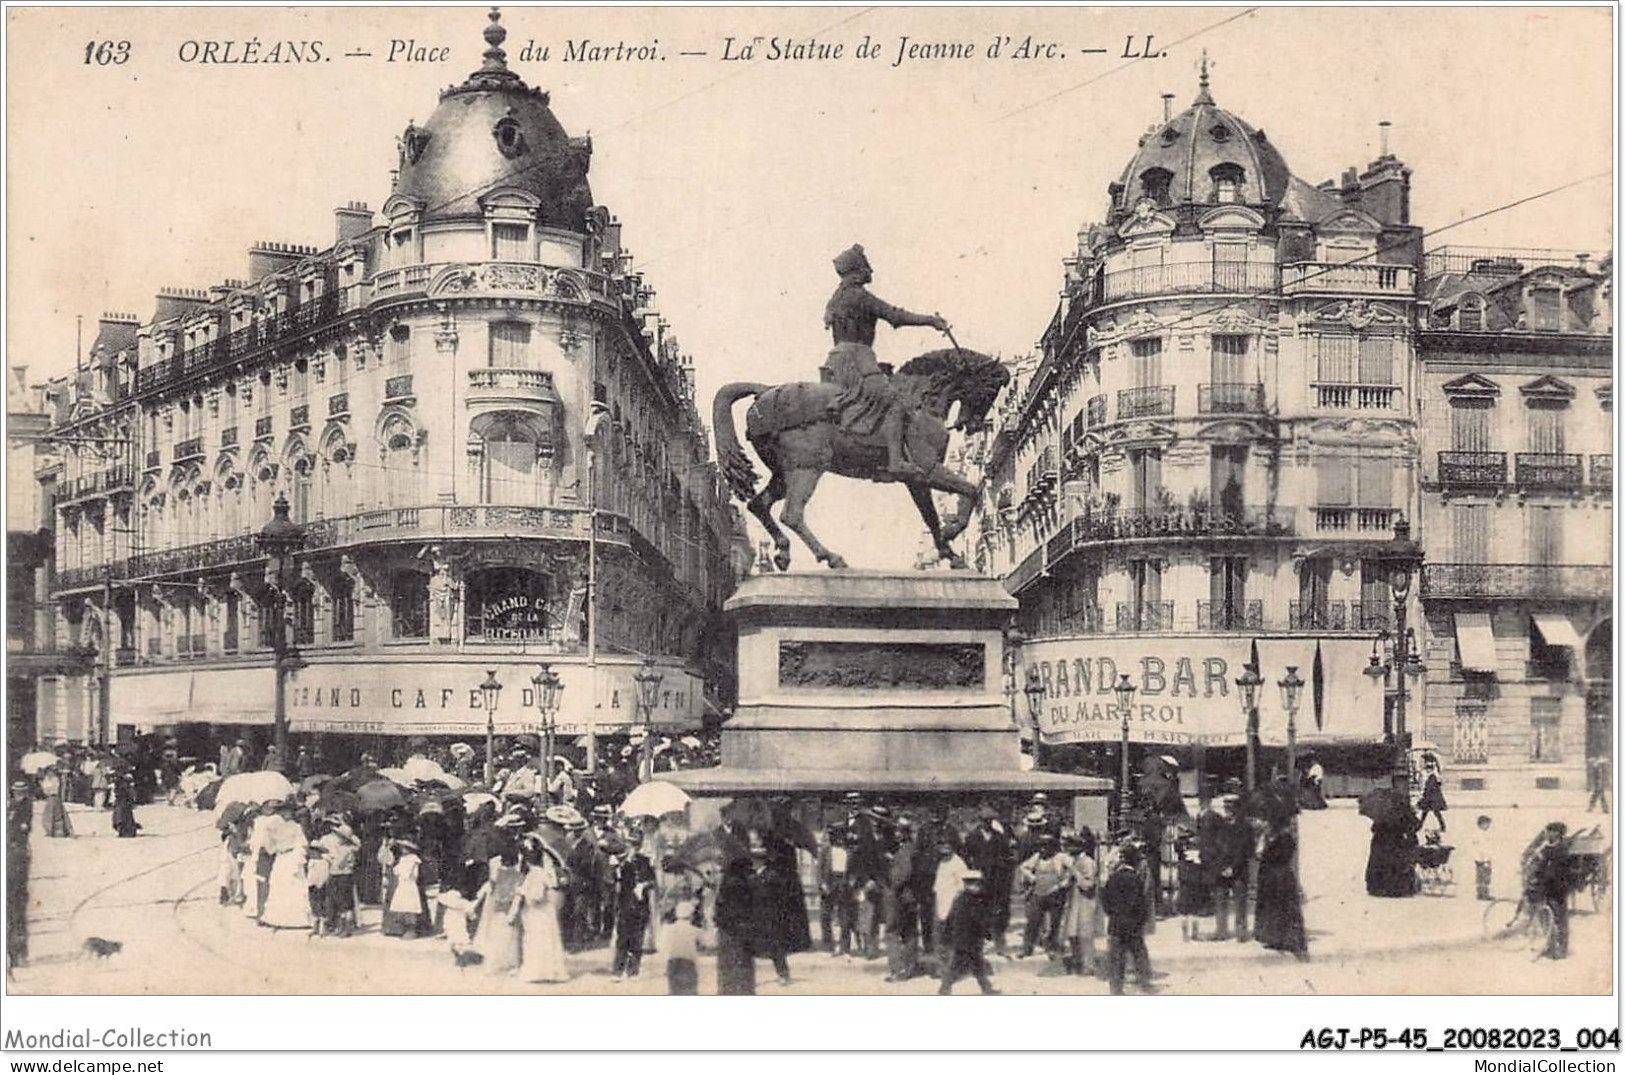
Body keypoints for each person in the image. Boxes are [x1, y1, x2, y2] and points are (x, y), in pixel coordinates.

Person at [822, 244, 950, 478]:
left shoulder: (837, 298)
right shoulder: (859, 296)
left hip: (838, 358)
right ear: (857, 271)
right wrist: (931, 321)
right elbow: (895, 315)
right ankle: (895, 462)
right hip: (857, 357)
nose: (870, 271)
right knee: (895, 400)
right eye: (866, 267)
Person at [960, 803, 1017, 957]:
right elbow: (966, 857)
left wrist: (1003, 872)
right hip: (979, 878)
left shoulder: (999, 837)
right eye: (984, 820)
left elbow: (1006, 857)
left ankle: (999, 944)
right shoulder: (972, 837)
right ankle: (978, 942)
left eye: (989, 820)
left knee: (997, 911)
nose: (987, 822)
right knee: (978, 911)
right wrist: (970, 875)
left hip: (996, 879)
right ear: (980, 820)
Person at [1101, 842, 1155, 995]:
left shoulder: (1113, 878)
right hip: (1132, 924)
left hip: (1116, 923)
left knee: (1116, 956)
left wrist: (1113, 914)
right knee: (1138, 953)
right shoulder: (1135, 879)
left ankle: (1116, 988)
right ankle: (1145, 983)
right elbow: (1140, 903)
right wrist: (1140, 919)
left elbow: (1105, 900)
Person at [514, 840, 570, 983]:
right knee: (543, 940)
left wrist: (521, 892)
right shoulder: (538, 873)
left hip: (538, 913)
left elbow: (537, 896)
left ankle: (538, 972)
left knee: (538, 940)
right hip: (542, 912)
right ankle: (545, 971)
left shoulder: (536, 874)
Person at [937, 871, 999, 995]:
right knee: (958, 965)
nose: (975, 887)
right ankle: (945, 988)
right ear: (966, 884)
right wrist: (987, 933)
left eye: (977, 884)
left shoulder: (962, 899)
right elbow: (978, 920)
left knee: (976, 965)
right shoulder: (970, 901)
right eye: (971, 884)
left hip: (967, 939)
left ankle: (985, 988)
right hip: (967, 939)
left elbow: (950, 919)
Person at [1253, 822, 1308, 959]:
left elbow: (1278, 856)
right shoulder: (1268, 837)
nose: (1265, 825)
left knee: (1282, 907)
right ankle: (1273, 938)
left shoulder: (1284, 837)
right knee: (1271, 907)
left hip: (1279, 875)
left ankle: (1288, 940)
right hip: (1271, 875)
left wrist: (1264, 850)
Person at [1198, 795, 1247, 939]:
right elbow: (1215, 846)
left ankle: (1241, 931)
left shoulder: (1244, 826)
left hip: (1238, 870)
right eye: (1226, 808)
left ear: (1238, 809)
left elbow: (1244, 850)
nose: (1228, 811)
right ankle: (1221, 930)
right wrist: (1220, 867)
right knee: (1220, 900)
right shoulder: (1219, 824)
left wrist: (1233, 867)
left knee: (1240, 901)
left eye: (1231, 808)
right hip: (1221, 868)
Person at [609, 837, 655, 982]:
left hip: (640, 905)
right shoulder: (618, 861)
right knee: (622, 938)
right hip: (624, 904)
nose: (632, 848)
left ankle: (633, 971)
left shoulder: (644, 861)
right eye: (629, 845)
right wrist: (616, 869)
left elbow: (653, 880)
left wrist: (644, 885)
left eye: (635, 845)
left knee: (637, 939)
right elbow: (614, 882)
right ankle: (617, 971)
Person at [1017, 833, 1070, 959]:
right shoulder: (1037, 857)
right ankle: (1027, 948)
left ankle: (1052, 948)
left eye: (1047, 847)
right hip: (1038, 893)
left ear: (1053, 847)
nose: (1043, 849)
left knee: (1054, 923)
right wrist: (1031, 877)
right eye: (1041, 847)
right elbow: (1023, 867)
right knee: (1032, 922)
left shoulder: (1061, 857)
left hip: (1055, 894)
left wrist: (1063, 884)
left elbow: (1072, 870)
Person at [473, 845, 525, 974]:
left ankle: (494, 964)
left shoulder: (498, 875)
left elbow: (489, 888)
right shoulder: (520, 876)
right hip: (510, 908)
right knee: (513, 937)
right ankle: (513, 965)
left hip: (498, 908)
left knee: (496, 936)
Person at [261, 807, 313, 931]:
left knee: (295, 886)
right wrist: (272, 841)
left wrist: (298, 857)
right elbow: (269, 847)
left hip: (293, 856)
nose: (286, 814)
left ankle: (297, 919)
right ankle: (276, 918)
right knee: (279, 886)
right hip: (281, 858)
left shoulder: (295, 826)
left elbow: (303, 843)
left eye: (288, 811)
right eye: (283, 811)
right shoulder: (272, 825)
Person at [883, 816, 922, 982]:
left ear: (904, 833)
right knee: (910, 932)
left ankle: (898, 970)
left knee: (892, 932)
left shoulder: (904, 850)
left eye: (899, 831)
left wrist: (889, 883)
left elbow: (903, 874)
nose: (896, 834)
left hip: (898, 896)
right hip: (910, 897)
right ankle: (909, 968)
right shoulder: (911, 848)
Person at [1528, 822, 1573, 960]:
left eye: (1549, 831)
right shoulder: (1548, 848)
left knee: (1560, 919)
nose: (1546, 834)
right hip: (1548, 887)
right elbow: (1541, 867)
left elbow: (1554, 871)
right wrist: (1533, 876)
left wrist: (1541, 880)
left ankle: (1562, 950)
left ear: (1557, 833)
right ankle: (1551, 946)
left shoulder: (1562, 850)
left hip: (1558, 888)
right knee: (1548, 917)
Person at [1060, 828, 1101, 976]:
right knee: (1072, 932)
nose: (1068, 849)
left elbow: (1088, 884)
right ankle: (1077, 961)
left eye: (1071, 846)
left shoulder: (1088, 862)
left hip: (1086, 901)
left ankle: (1088, 965)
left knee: (1085, 934)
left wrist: (1075, 874)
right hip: (1073, 900)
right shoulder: (1074, 861)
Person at [7, 780, 32, 972]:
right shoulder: (11, 806)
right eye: (16, 791)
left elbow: (23, 829)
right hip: (13, 855)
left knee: (16, 909)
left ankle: (18, 954)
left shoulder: (24, 806)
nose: (18, 794)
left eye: (21, 791)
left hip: (17, 857)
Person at [38, 768, 72, 838]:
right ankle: (49, 830)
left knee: (57, 814)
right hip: (49, 798)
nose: (50, 773)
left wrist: (45, 786)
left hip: (55, 797)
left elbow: (53, 788)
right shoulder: (47, 779)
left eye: (51, 772)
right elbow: (45, 790)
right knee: (48, 815)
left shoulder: (55, 779)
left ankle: (59, 831)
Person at [1417, 759, 1448, 832]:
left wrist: (1424, 796)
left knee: (1433, 813)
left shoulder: (1432, 777)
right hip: (1432, 798)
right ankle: (1420, 826)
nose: (1427, 770)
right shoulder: (1433, 776)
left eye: (1428, 769)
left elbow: (1429, 788)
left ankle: (1442, 827)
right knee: (1427, 813)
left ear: (1430, 769)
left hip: (1432, 799)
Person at [1469, 815, 1494, 901]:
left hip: (1478, 859)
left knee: (1480, 877)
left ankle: (1480, 893)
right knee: (1485, 877)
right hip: (1483, 859)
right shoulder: (1482, 835)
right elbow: (1483, 849)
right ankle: (1484, 894)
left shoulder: (1477, 834)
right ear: (1482, 824)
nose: (1488, 826)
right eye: (1487, 824)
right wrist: (1486, 860)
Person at [110, 769, 140, 838]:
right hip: (123, 801)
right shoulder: (125, 783)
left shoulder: (119, 783)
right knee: (125, 816)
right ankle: (127, 830)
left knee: (121, 816)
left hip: (121, 801)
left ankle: (123, 830)